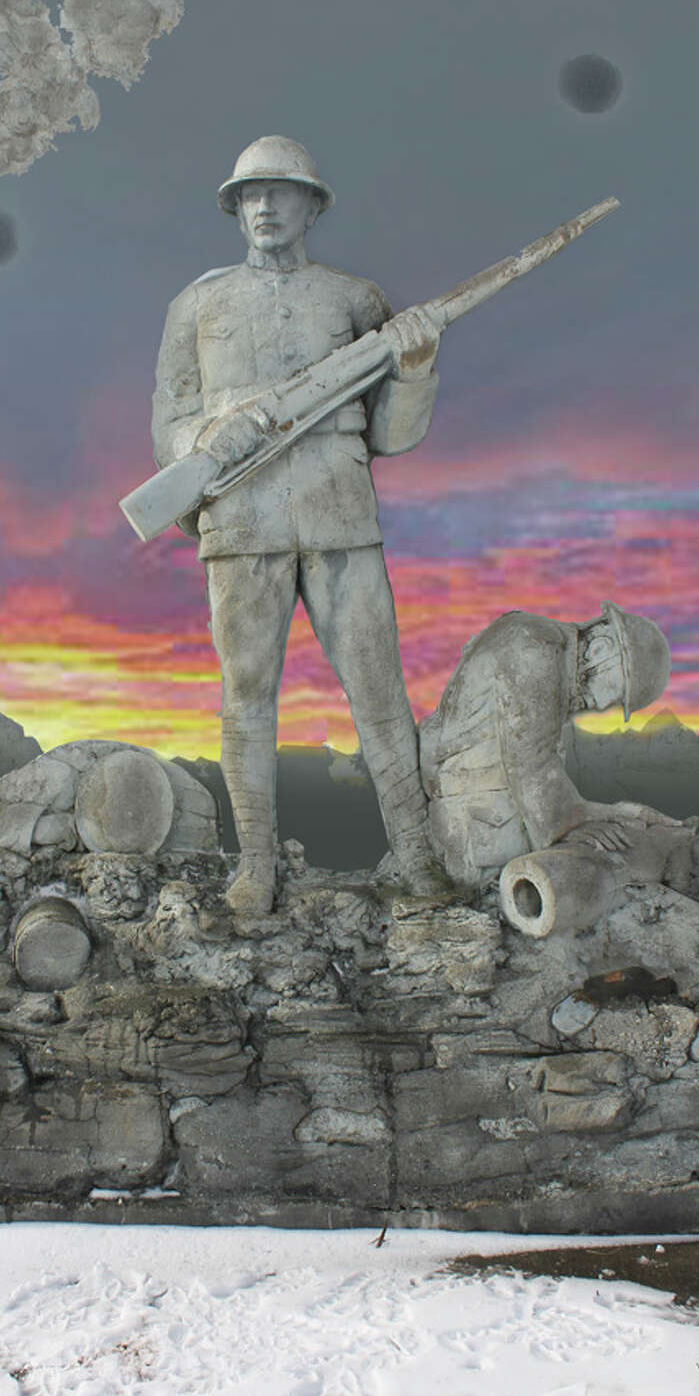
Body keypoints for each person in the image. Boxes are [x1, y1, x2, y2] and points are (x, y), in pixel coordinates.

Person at [151, 136, 446, 915]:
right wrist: (203, 441)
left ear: (312, 206)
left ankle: (417, 853)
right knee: (246, 695)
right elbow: (169, 422)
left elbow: (390, 433)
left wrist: (415, 368)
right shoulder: (197, 305)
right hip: (241, 518)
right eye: (250, 194)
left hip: (338, 513)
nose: (264, 207)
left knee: (378, 689)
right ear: (234, 208)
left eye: (281, 192)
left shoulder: (354, 300)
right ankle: (256, 864)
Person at [419, 602, 699, 905]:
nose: (602, 704)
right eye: (615, 694)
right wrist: (568, 825)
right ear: (602, 648)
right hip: (483, 826)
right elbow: (530, 760)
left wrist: (617, 812)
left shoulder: (543, 647)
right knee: (606, 858)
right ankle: (694, 862)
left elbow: (533, 769)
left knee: (622, 826)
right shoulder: (534, 648)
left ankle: (695, 849)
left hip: (501, 809)